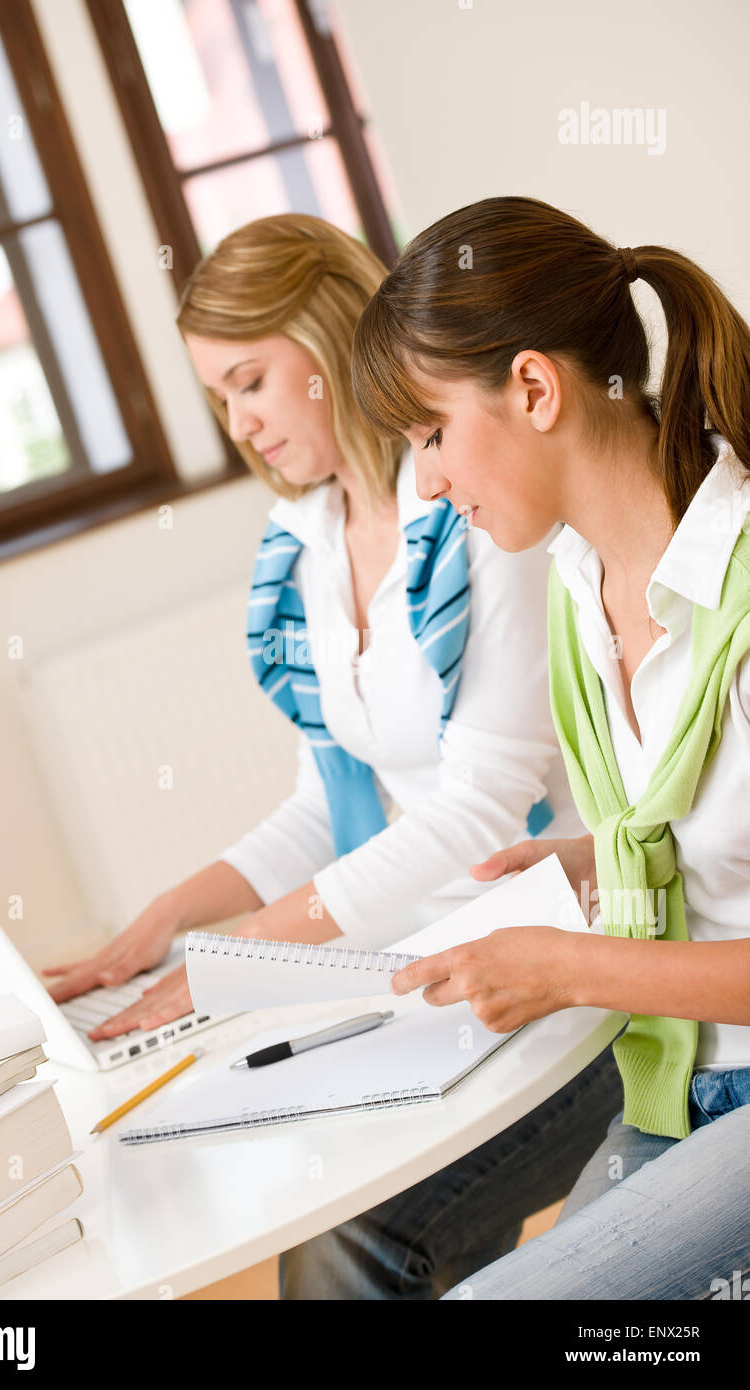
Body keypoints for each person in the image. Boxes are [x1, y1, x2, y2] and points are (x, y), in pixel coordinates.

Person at [43, 214, 623, 1281]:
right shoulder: (303, 542)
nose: (241, 424)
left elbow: (477, 809)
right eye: (219, 399)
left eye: (250, 381)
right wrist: (166, 930)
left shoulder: (475, 505)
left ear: (326, 337)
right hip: (414, 959)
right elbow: (325, 797)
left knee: (355, 1231)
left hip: (554, 950)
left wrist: (247, 954)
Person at [304, 193, 750, 1301]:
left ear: (535, 389)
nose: (433, 484)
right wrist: (592, 861)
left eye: (431, 436)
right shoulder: (572, 589)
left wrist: (563, 965)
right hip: (673, 1087)